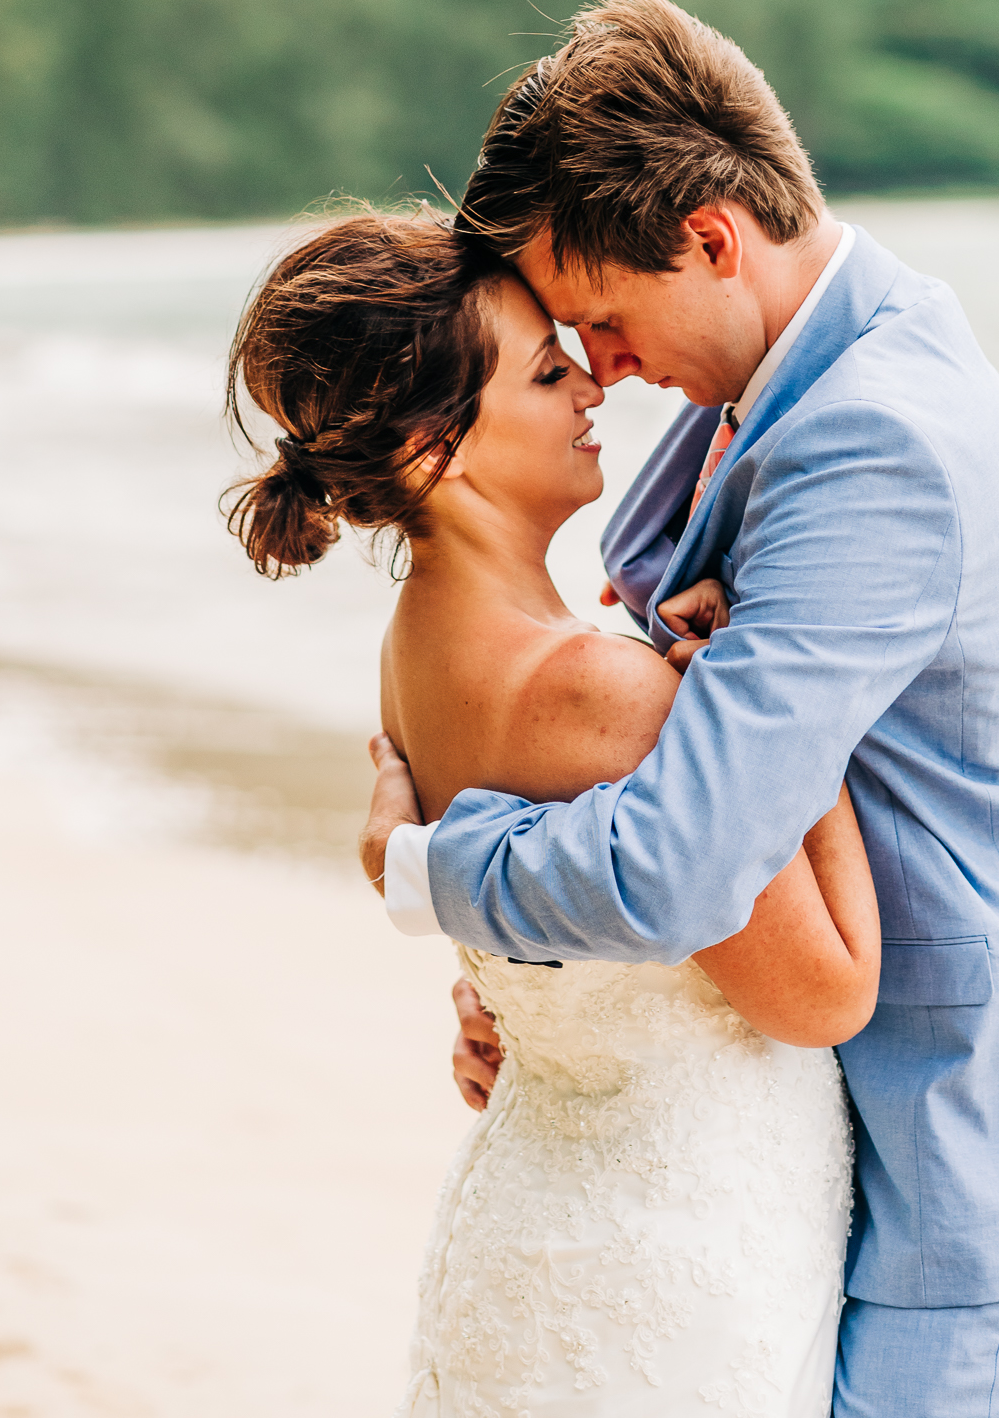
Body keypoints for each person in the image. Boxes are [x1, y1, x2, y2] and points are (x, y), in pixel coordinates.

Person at [361, 0, 999, 1418]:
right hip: (798, 1110)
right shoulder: (799, 373)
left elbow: (681, 859)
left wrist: (431, 870)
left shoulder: (876, 441)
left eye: (599, 319)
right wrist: (550, 999)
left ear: (710, 239)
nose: (599, 368)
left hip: (965, 1123)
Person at [227, 208, 880, 1415]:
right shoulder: (603, 690)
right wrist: (791, 712)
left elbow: (542, 947)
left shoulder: (408, 652)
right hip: (672, 1258)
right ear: (434, 453)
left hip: (538, 1218)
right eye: (542, 368)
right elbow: (824, 990)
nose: (588, 377)